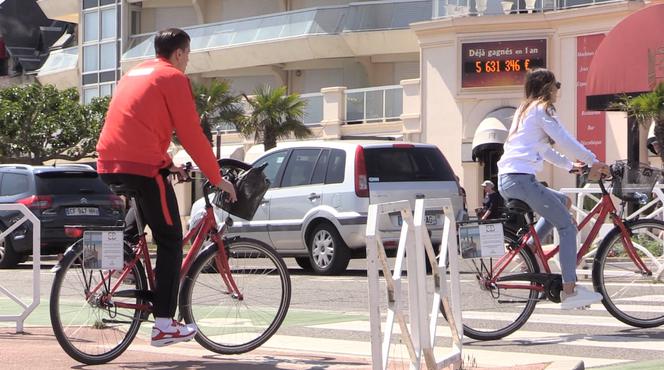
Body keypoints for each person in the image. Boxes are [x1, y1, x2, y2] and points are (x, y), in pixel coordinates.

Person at [96, 28, 237, 347]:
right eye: (188, 54)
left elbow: (136, 125)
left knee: (134, 234)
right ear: (179, 54)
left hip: (108, 161)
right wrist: (217, 178)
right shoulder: (173, 78)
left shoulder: (134, 73)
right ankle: (163, 325)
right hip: (141, 167)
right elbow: (191, 134)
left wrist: (168, 163)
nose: (188, 60)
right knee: (172, 239)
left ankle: (115, 275)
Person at [496, 68, 608, 310]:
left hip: (509, 179)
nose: (559, 89)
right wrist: (593, 160)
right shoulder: (542, 108)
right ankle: (570, 290)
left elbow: (544, 150)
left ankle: (529, 248)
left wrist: (569, 166)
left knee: (564, 201)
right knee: (567, 226)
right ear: (547, 87)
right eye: (556, 84)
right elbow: (565, 138)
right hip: (521, 180)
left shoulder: (523, 111)